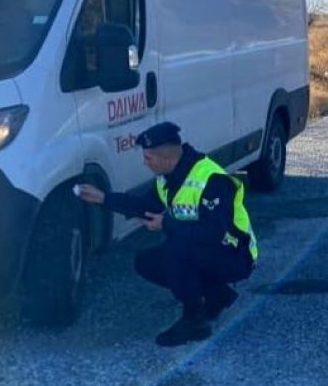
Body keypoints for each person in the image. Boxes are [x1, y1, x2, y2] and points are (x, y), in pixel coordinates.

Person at [76, 122, 258, 347]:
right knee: (147, 262)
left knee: (176, 249)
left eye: (148, 158)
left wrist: (167, 224)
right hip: (208, 250)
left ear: (165, 159)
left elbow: (213, 232)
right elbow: (144, 205)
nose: (144, 162)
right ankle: (216, 294)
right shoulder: (168, 178)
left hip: (235, 254)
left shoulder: (211, 180)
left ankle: (195, 321)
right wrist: (104, 198)